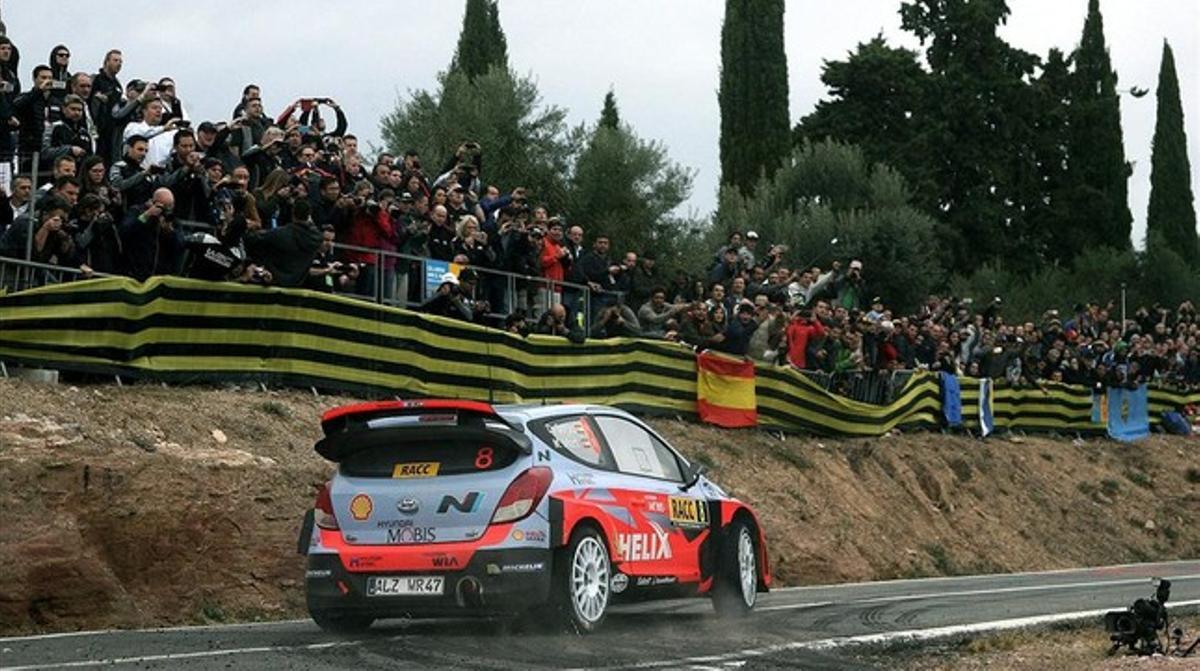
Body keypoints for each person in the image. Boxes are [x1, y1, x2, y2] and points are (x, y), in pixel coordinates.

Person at [243, 198, 324, 287]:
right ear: (309, 216)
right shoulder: (316, 238)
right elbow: (316, 231)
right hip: (298, 284)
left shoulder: (280, 234)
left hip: (274, 281)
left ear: (293, 214)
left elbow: (251, 239)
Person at [119, 188, 184, 281]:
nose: (167, 210)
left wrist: (170, 232)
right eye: (164, 206)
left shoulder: (172, 220)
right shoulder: (137, 211)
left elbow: (180, 245)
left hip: (160, 275)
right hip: (136, 271)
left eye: (170, 206)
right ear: (153, 202)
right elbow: (124, 231)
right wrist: (146, 215)